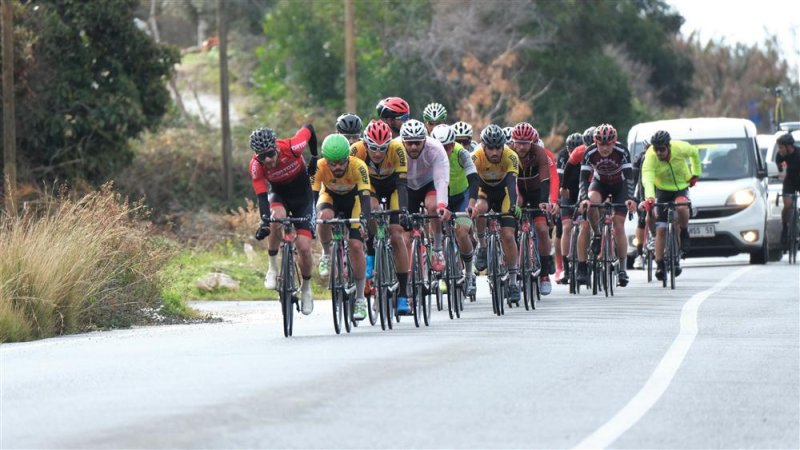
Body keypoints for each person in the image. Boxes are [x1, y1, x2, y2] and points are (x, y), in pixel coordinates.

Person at [249, 125, 318, 315]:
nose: (268, 160)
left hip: (303, 196)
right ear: (257, 156)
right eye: (262, 157)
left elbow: (309, 129)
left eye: (270, 153)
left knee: (304, 247)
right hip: (280, 195)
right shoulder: (256, 165)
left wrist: (314, 157)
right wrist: (264, 223)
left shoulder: (293, 147)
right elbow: (262, 196)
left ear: (276, 147)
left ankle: (306, 288)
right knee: (275, 221)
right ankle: (272, 268)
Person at [350, 119, 412, 314]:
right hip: (371, 187)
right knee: (372, 209)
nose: (377, 153)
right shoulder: (356, 150)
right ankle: (370, 252)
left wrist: (403, 211)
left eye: (382, 148)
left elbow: (402, 184)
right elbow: (355, 185)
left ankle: (403, 295)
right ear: (365, 144)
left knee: (396, 235)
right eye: (373, 148)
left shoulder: (398, 149)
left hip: (394, 187)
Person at [313, 134, 373, 320]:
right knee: (323, 217)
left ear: (348, 157)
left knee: (355, 246)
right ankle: (326, 253)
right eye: (333, 163)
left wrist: (364, 220)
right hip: (330, 197)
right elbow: (314, 195)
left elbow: (365, 197)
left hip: (354, 200)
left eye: (341, 162)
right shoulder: (319, 166)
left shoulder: (358, 166)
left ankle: (361, 299)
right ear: (326, 160)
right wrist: (312, 218)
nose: (337, 167)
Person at [576, 123, 637, 287]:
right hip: (600, 183)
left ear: (614, 142)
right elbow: (583, 178)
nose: (604, 148)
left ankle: (623, 269)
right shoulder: (590, 152)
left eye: (608, 144)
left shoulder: (622, 151)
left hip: (619, 186)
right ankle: (597, 233)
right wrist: (584, 199)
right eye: (601, 144)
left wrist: (631, 198)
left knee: (618, 226)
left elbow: (629, 177)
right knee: (591, 201)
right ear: (595, 142)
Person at [640, 130, 701, 280]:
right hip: (662, 190)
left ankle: (684, 232)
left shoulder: (680, 148)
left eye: (662, 149)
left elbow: (694, 153)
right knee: (661, 229)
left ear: (669, 146)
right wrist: (650, 198)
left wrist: (695, 173)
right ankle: (660, 264)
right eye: (656, 149)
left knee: (682, 206)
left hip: (681, 186)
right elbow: (647, 179)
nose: (659, 152)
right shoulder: (651, 157)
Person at [471, 124, 522, 303]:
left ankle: (514, 282)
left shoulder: (511, 156)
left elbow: (511, 184)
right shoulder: (475, 156)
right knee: (479, 209)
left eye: (498, 148)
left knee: (508, 235)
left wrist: (513, 205)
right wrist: (471, 205)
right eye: (490, 148)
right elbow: (472, 184)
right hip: (484, 191)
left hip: (504, 193)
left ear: (503, 146)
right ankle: (483, 247)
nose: (494, 152)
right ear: (483, 146)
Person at [431, 124, 480, 296]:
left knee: (461, 232)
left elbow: (474, 179)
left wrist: (472, 205)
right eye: (441, 147)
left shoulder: (462, 153)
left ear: (453, 144)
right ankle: (442, 272)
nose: (445, 150)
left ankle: (468, 273)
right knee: (434, 225)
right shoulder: (428, 153)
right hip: (440, 196)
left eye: (448, 146)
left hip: (461, 196)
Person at [510, 122, 556, 295]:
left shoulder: (539, 153)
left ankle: (544, 273)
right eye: (518, 142)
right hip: (517, 190)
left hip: (537, 193)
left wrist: (545, 200)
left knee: (542, 230)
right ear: (513, 141)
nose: (522, 147)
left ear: (532, 142)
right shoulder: (509, 153)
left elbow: (546, 180)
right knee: (510, 224)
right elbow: (510, 181)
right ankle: (512, 266)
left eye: (525, 143)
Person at [401, 119, 451, 277]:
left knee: (433, 207)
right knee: (405, 234)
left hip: (429, 183)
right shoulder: (395, 148)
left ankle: (437, 248)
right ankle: (407, 273)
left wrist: (442, 205)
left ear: (425, 140)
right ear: (402, 141)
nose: (414, 147)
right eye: (409, 143)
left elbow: (441, 179)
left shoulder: (435, 148)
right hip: (406, 185)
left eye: (417, 142)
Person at [557, 132, 584, 284]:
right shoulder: (562, 156)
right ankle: (566, 269)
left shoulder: (586, 155)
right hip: (567, 192)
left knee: (585, 225)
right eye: (569, 150)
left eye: (575, 150)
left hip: (582, 191)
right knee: (566, 227)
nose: (572, 154)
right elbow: (560, 181)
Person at [776, 133, 800, 247]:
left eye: (781, 147)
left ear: (788, 146)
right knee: (787, 204)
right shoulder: (780, 155)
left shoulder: (799, 153)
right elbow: (779, 169)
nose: (779, 150)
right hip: (789, 181)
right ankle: (785, 228)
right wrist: (779, 170)